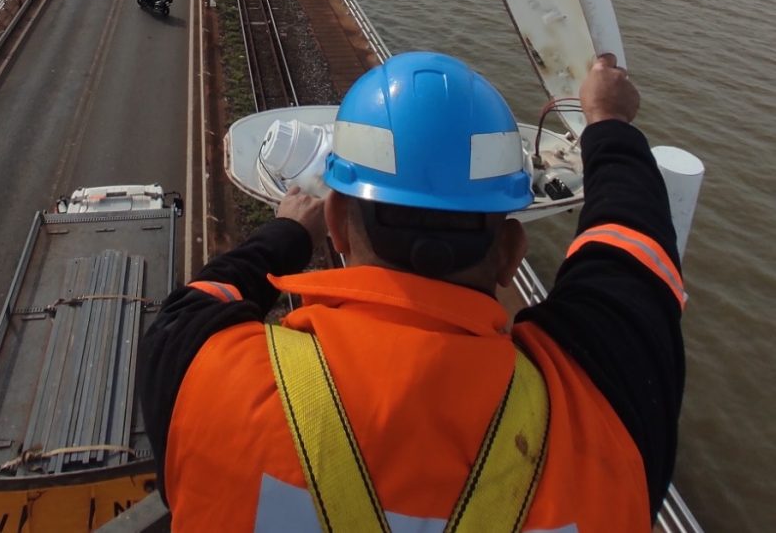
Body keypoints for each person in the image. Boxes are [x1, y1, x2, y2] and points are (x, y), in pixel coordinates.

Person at [137, 52, 685, 532]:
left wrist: (285, 235)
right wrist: (607, 119)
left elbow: (195, 306)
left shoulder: (207, 381)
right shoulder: (601, 415)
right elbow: (629, 242)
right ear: (510, 252)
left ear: (337, 223)